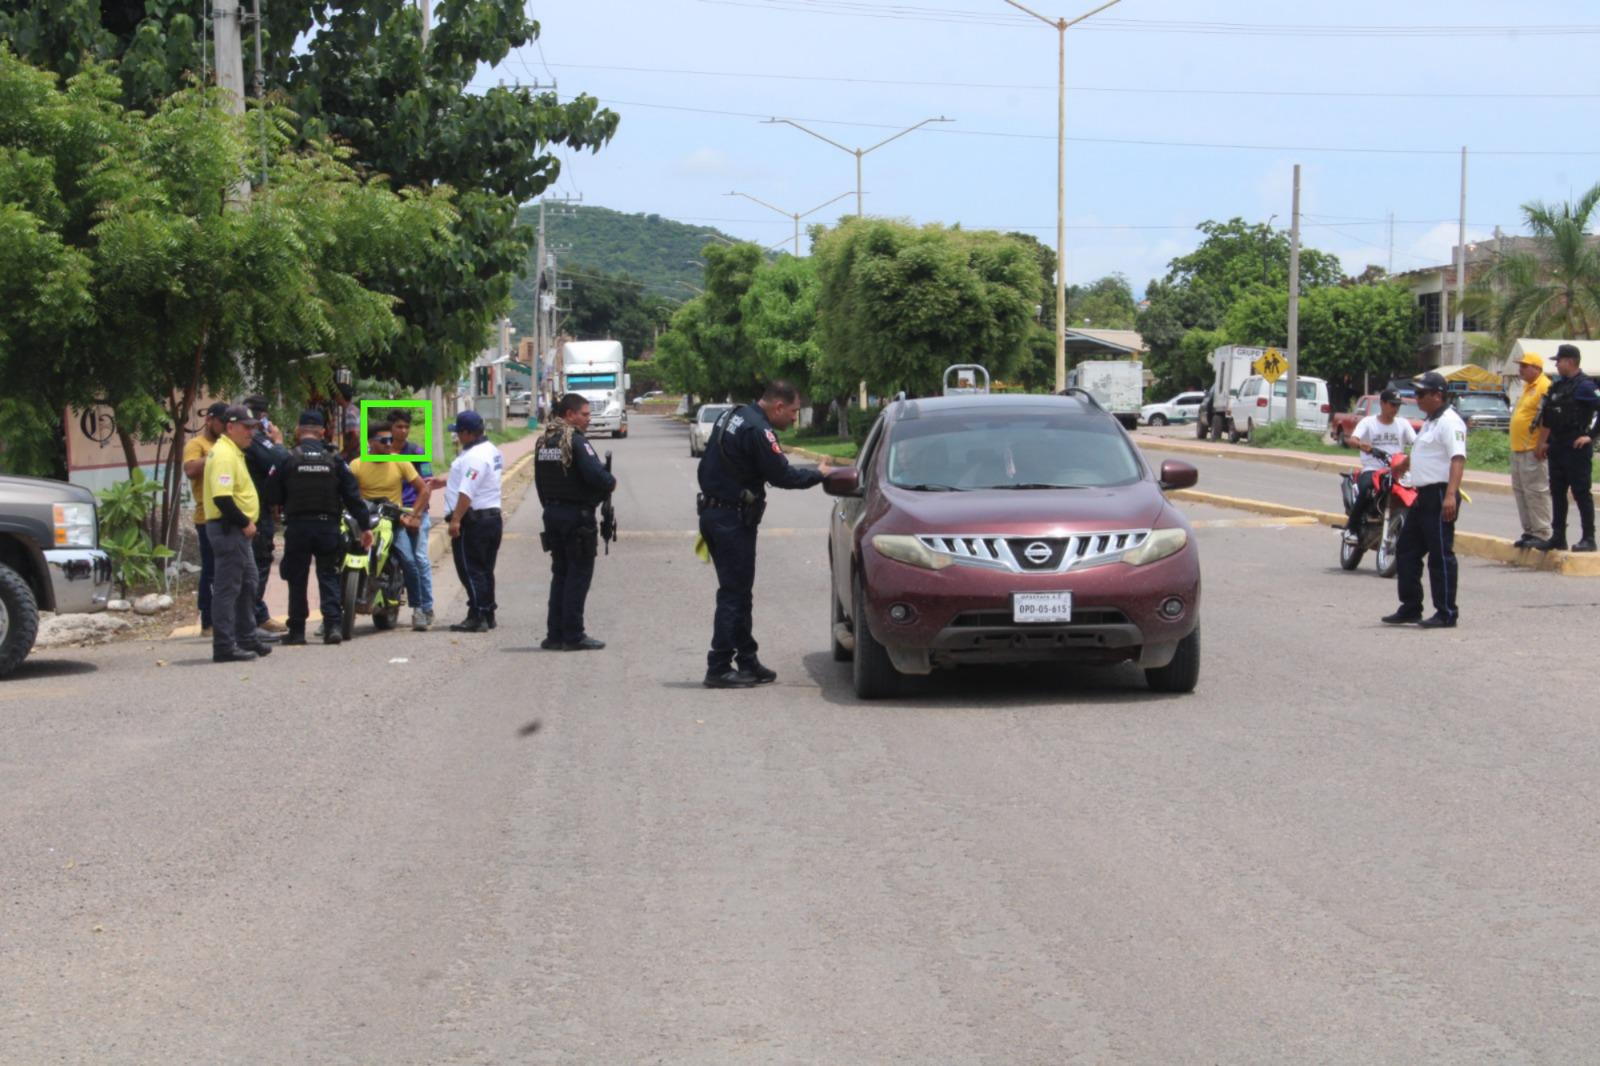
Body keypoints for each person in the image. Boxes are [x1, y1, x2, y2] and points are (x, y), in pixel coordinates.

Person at [696, 381, 835, 688]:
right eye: (794, 412)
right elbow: (783, 476)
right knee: (733, 595)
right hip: (731, 519)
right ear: (778, 407)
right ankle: (718, 666)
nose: (795, 419)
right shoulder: (760, 431)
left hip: (715, 513)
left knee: (740, 593)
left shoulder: (734, 414)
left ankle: (747, 660)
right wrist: (819, 474)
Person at [272, 411, 372, 646]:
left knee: (297, 579)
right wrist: (365, 526)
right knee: (328, 576)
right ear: (323, 432)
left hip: (297, 527)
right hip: (327, 526)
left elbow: (272, 494)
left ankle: (297, 631)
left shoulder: (288, 459)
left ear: (298, 431)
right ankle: (333, 627)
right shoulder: (335, 461)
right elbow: (353, 496)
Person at [1383, 372, 1467, 629]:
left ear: (1437, 395)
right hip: (1422, 495)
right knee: (1406, 549)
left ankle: (1446, 612)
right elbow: (1424, 451)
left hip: (1441, 494)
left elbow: (1457, 459)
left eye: (1421, 394)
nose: (1416, 399)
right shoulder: (1431, 421)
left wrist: (1451, 494)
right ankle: (1411, 607)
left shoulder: (1450, 422)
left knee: (1440, 555)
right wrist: (1404, 465)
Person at [534, 393, 618, 651]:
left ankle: (555, 634)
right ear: (569, 415)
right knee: (578, 575)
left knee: (560, 573)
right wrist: (608, 482)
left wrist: (551, 507)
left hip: (552, 514)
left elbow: (539, 483)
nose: (588, 419)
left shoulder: (544, 441)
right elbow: (601, 478)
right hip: (576, 518)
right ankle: (573, 634)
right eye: (585, 414)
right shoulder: (576, 442)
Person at [204, 406, 274, 662]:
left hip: (237, 530)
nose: (251, 432)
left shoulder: (234, 452)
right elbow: (222, 498)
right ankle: (224, 645)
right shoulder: (224, 454)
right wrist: (245, 522)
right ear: (230, 427)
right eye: (246, 427)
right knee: (228, 588)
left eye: (254, 427)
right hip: (229, 528)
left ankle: (246, 636)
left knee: (248, 583)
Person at [349, 421, 432, 625]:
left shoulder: (400, 461)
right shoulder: (356, 464)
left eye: (390, 440)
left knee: (409, 561)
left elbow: (424, 489)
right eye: (383, 440)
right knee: (335, 557)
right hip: (365, 520)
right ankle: (332, 614)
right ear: (370, 442)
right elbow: (346, 491)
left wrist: (415, 515)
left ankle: (419, 609)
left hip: (393, 520)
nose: (389, 444)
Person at [442, 410, 505, 632]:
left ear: (468, 433)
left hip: (474, 522)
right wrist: (441, 482)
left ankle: (478, 615)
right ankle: (487, 612)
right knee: (485, 569)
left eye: (459, 433)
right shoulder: (491, 450)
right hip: (491, 518)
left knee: (471, 570)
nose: (457, 437)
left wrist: (456, 519)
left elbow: (467, 491)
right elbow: (469, 478)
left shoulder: (475, 457)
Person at [1534, 344, 1599, 552]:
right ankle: (1558, 536)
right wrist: (1545, 442)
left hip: (1576, 447)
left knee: (1581, 492)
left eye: (1559, 360)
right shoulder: (1558, 386)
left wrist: (1590, 437)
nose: (1556, 364)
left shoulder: (1585, 386)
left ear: (1570, 361)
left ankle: (1588, 538)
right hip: (1557, 445)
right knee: (1558, 492)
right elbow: (1550, 416)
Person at [242, 395, 289, 633]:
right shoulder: (256, 439)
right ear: (262, 416)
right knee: (258, 563)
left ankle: (257, 615)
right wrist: (278, 441)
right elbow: (282, 460)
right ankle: (251, 621)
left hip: (255, 507)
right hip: (255, 510)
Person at [1342, 388, 1417, 535]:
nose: (1395, 408)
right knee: (1366, 489)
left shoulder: (1403, 424)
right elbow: (1352, 439)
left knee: (1416, 491)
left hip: (1397, 470)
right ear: (1382, 403)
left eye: (1398, 405)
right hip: (1373, 469)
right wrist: (1363, 446)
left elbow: (1416, 443)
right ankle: (1352, 528)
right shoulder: (1368, 422)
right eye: (1392, 404)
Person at [181, 402, 228, 634]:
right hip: (206, 517)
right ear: (209, 420)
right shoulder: (197, 444)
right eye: (221, 421)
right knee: (211, 570)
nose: (225, 426)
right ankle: (208, 621)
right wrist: (215, 456)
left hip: (229, 514)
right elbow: (190, 469)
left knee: (230, 570)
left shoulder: (228, 443)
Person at [389, 411, 436, 630]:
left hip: (416, 513)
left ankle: (425, 608)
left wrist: (415, 515)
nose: (403, 431)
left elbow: (427, 484)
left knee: (418, 558)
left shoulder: (417, 452)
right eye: (399, 426)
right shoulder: (379, 452)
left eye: (406, 427)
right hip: (390, 513)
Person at [1510, 352, 1554, 549]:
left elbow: (1548, 418)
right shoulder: (1527, 387)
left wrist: (1542, 443)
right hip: (1519, 448)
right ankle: (1529, 530)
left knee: (1536, 491)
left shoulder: (1544, 386)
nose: (1521, 369)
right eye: (1521, 365)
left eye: (1525, 366)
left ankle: (1542, 532)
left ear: (1537, 368)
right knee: (1521, 491)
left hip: (1532, 448)